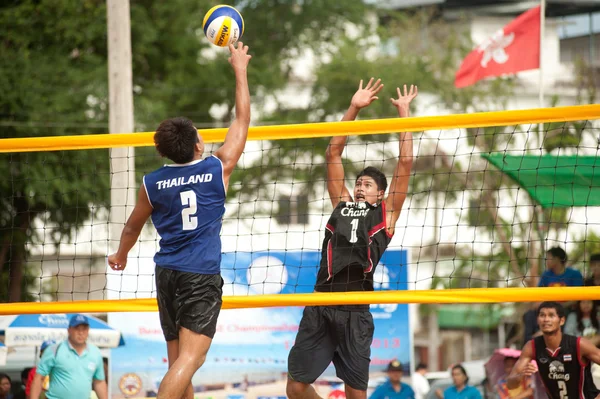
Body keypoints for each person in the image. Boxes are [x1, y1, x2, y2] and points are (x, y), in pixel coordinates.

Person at [107, 42, 252, 399]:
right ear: (198, 146)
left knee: (177, 362)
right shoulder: (217, 167)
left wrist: (121, 254)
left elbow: (131, 226)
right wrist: (240, 69)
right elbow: (242, 119)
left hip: (167, 273)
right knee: (189, 361)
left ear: (163, 150)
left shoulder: (152, 183)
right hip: (199, 275)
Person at [286, 79, 417, 399]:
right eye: (359, 182)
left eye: (368, 185)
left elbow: (406, 163)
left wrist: (404, 113)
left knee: (356, 395)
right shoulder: (341, 206)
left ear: (381, 193)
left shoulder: (387, 214)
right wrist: (354, 108)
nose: (361, 187)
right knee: (295, 388)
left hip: (355, 310)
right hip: (321, 301)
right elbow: (333, 153)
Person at [507, 302, 600, 399]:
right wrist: (521, 376)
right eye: (542, 315)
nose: (546, 319)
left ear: (562, 320)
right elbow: (510, 384)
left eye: (551, 315)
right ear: (538, 320)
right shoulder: (531, 346)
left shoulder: (579, 344)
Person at [30, 315, 107, 399]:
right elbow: (39, 378)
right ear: (69, 330)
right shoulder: (54, 350)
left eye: (84, 329)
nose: (81, 332)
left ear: (88, 330)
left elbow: (99, 382)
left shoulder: (95, 352)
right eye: (77, 328)